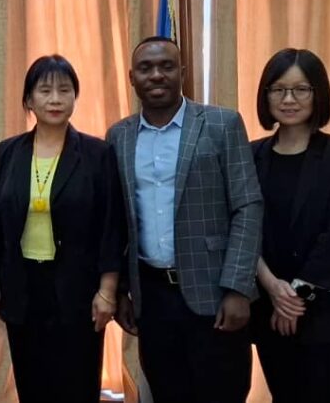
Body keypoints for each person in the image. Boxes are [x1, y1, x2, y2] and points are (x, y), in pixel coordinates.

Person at [106, 36, 263, 403]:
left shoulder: (222, 124)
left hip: (216, 294)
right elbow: (117, 221)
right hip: (153, 297)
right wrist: (122, 292)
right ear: (132, 78)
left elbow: (248, 206)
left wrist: (238, 288)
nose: (157, 75)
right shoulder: (118, 137)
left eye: (167, 66)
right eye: (146, 68)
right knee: (166, 391)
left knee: (222, 393)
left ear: (182, 72)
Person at [0, 55, 125, 403]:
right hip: (22, 289)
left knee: (76, 384)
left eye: (65, 90)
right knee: (33, 384)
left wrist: (108, 291)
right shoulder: (8, 153)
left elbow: (112, 226)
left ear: (75, 98)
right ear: (28, 100)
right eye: (45, 90)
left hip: (78, 291)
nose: (55, 99)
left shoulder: (97, 154)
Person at [249, 48, 330, 403]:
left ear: (318, 93)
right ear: (266, 95)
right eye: (278, 89)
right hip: (267, 308)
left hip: (326, 312)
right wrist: (273, 289)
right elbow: (242, 228)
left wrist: (296, 298)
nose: (289, 99)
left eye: (301, 89)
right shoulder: (250, 154)